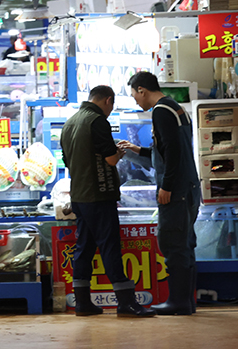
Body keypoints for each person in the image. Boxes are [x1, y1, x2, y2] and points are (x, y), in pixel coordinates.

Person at [60, 86, 156, 318]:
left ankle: (82, 302)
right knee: (110, 245)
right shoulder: (97, 121)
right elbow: (111, 159)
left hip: (79, 196)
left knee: (84, 246)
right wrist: (121, 151)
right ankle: (126, 302)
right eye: (112, 106)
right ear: (108, 100)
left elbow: (67, 160)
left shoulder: (70, 122)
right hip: (99, 195)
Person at [119, 71, 201, 316]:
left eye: (135, 96)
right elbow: (165, 149)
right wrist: (138, 150)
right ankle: (186, 301)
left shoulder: (160, 111)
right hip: (188, 187)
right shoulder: (175, 108)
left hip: (176, 191)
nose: (136, 101)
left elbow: (173, 152)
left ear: (142, 90)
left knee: (173, 244)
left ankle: (177, 302)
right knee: (185, 244)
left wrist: (166, 186)